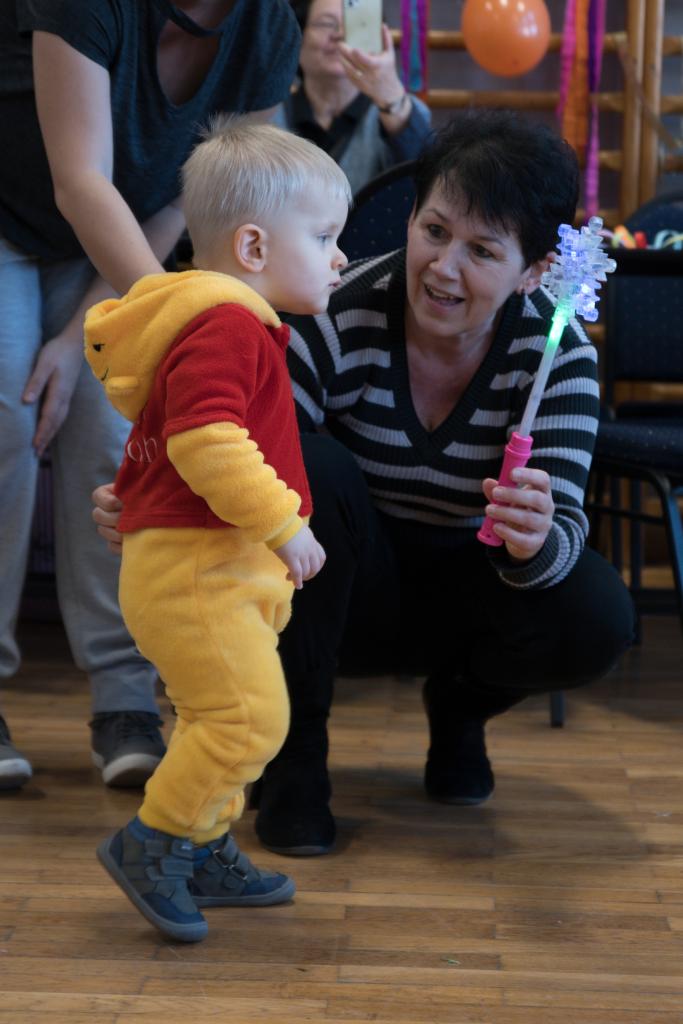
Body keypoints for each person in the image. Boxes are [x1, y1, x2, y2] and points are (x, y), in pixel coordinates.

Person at [93, 110, 636, 860]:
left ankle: (459, 710)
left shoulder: (559, 355)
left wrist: (534, 540)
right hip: (338, 589)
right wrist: (154, 504)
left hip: (473, 595)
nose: (442, 267)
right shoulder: (329, 310)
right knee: (306, 467)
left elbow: (563, 536)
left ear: (534, 272)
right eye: (434, 230)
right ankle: (296, 762)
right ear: (410, 218)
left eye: (482, 251)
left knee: (597, 615)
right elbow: (229, 457)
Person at [0, 0, 301, 791]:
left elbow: (205, 199)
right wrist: (180, 319)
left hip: (124, 237)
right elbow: (80, 181)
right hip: (17, 216)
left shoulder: (268, 27)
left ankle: (125, 700)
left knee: (122, 435)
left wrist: (90, 337)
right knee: (8, 416)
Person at [84, 118, 350, 942]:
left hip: (207, 570)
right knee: (247, 720)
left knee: (221, 719)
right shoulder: (228, 323)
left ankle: (202, 847)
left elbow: (162, 444)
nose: (340, 257)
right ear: (253, 247)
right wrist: (283, 524)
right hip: (201, 572)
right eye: (324, 237)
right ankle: (154, 841)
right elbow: (204, 441)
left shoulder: (215, 323)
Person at [273, 0, 432, 195]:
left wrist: (392, 99)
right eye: (327, 23)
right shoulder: (268, 115)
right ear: (298, 36)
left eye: (355, 24)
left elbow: (427, 177)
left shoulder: (400, 111)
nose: (340, 34)